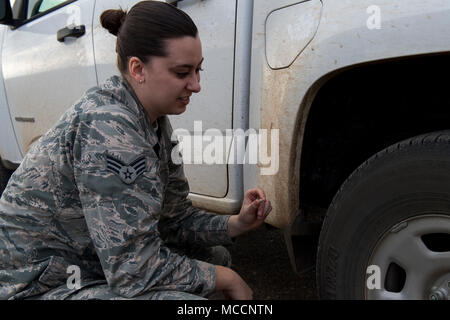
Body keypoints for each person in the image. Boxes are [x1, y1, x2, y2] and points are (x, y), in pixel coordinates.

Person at [0, 1, 272, 300]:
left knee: (213, 257)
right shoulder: (109, 128)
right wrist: (228, 279)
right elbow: (134, 272)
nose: (196, 85)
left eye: (198, 69)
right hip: (42, 284)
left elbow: (173, 220)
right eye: (183, 72)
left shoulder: (151, 120)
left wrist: (236, 223)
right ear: (138, 69)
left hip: (92, 264)